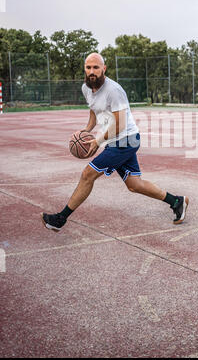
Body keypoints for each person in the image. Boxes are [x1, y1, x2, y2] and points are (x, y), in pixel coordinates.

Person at [42, 53, 189, 232]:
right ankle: (176, 201)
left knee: (88, 174)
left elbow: (119, 124)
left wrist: (97, 141)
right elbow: (94, 110)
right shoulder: (86, 88)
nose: (91, 71)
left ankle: (60, 219)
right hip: (114, 140)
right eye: (88, 67)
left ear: (104, 69)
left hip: (126, 140)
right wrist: (87, 129)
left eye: (96, 67)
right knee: (134, 185)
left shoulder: (114, 90)